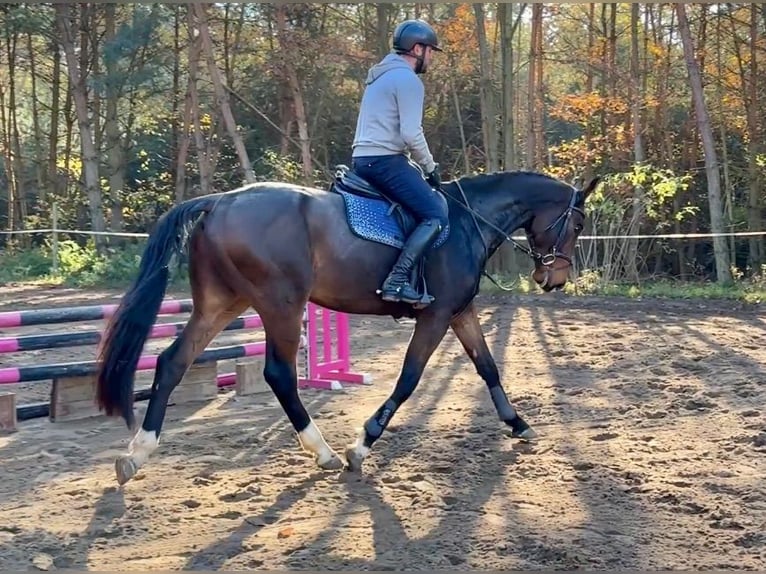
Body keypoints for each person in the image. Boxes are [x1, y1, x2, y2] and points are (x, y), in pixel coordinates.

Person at [351, 19, 447, 306]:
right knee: (435, 214)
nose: (431, 58)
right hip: (384, 161)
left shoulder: (380, 76)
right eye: (430, 51)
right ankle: (397, 280)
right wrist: (430, 167)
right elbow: (410, 133)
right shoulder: (407, 80)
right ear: (417, 49)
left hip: (363, 159)